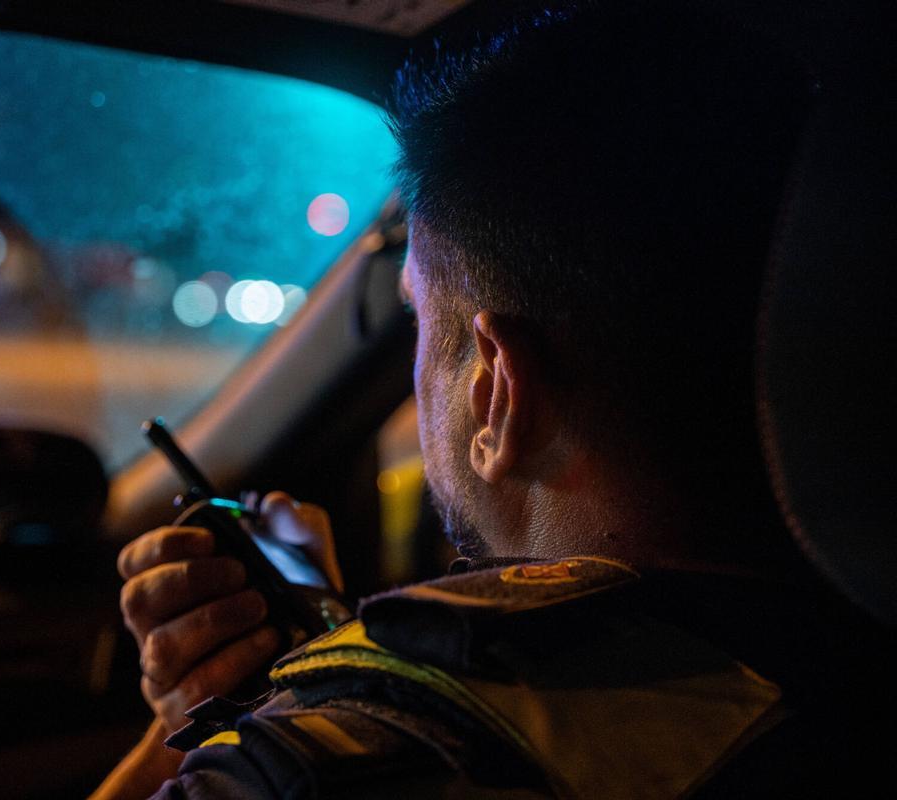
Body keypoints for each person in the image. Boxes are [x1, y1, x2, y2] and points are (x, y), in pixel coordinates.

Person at [94, 3, 888, 797]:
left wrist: (212, 740)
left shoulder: (329, 770)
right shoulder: (853, 658)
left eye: (418, 318)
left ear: (496, 390)